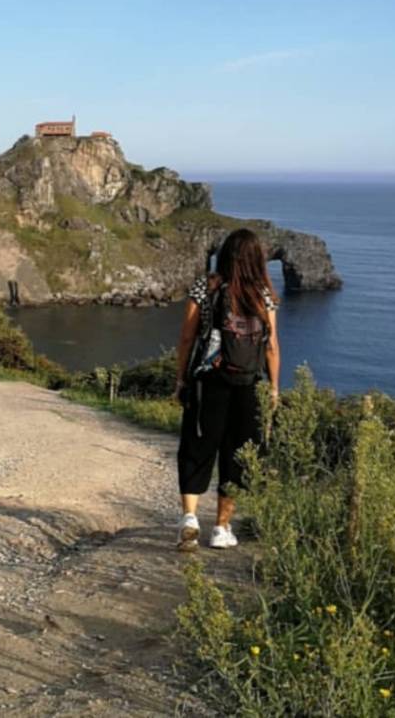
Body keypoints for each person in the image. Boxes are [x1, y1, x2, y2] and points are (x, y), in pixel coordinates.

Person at [173, 228, 280, 551]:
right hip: (247, 385)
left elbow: (187, 338)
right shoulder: (262, 293)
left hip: (208, 382)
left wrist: (181, 378)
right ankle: (221, 528)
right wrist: (273, 389)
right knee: (237, 456)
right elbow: (272, 345)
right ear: (256, 258)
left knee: (197, 447)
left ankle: (190, 519)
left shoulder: (205, 287)